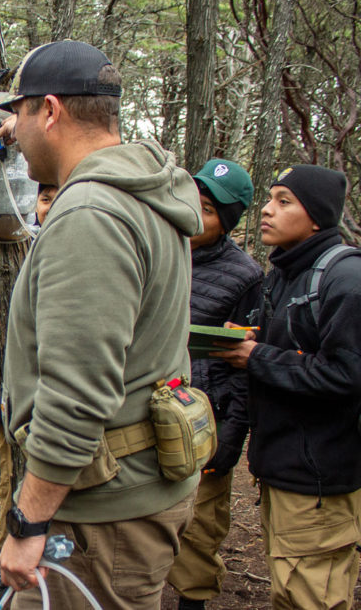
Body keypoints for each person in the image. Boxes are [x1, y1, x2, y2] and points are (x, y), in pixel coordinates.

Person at [0, 40, 203, 609]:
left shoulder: (90, 215)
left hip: (98, 518)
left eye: (20, 113)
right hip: (133, 492)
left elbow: (78, 395)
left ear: (50, 111)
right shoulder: (147, 192)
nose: (13, 129)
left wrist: (28, 523)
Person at [213, 165, 361, 610]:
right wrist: (255, 340)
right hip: (286, 467)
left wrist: (256, 357)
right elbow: (303, 348)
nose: (266, 210)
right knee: (292, 588)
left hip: (320, 476)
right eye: (269, 198)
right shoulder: (288, 271)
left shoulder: (346, 281)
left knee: (310, 596)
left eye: (283, 201)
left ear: (316, 216)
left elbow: (346, 375)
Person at [166, 160, 262, 610]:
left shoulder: (245, 276)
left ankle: (192, 601)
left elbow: (245, 369)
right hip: (147, 411)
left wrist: (228, 444)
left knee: (199, 529)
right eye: (192, 200)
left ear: (226, 222)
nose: (192, 213)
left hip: (204, 422)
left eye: (206, 209)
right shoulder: (159, 247)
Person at [0, 180, 60, 602]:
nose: (51, 205)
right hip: (18, 403)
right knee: (14, 477)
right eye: (44, 197)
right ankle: (3, 560)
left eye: (60, 195)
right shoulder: (24, 248)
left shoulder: (86, 243)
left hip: (58, 411)